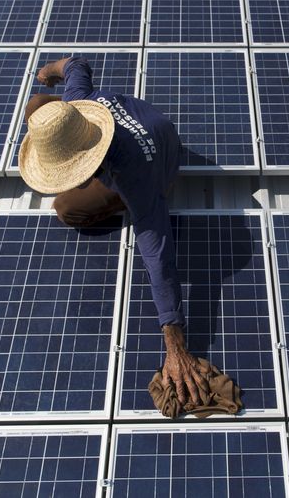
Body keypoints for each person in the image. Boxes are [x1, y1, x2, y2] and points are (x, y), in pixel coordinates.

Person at [18, 57, 208, 408]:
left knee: (67, 209)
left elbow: (158, 253)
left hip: (160, 164)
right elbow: (76, 65)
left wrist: (175, 343)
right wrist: (49, 71)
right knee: (37, 108)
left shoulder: (131, 174)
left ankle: (115, 202)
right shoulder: (77, 105)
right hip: (152, 123)